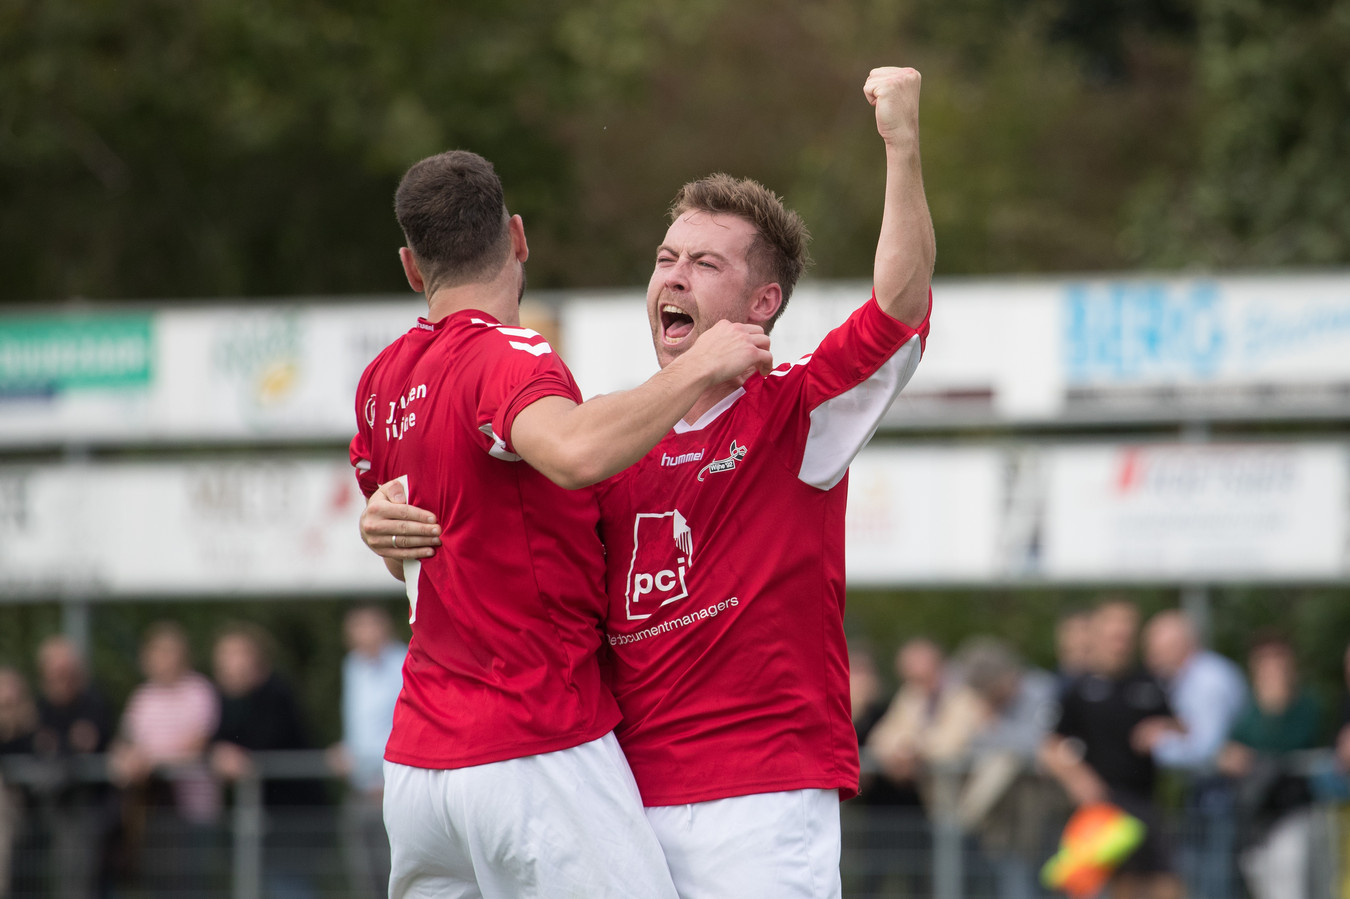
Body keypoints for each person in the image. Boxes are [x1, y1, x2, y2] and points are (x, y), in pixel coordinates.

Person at [362, 66, 935, 897]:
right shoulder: (604, 432)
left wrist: (902, 145)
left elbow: (901, 300)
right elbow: (494, 556)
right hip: (616, 792)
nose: (673, 275)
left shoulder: (799, 409)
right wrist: (388, 533)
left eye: (705, 263)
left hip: (758, 797)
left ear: (762, 300)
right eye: (667, 256)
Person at [350, 149, 772, 899]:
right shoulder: (508, 358)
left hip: (419, 768)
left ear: (413, 268)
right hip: (531, 743)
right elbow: (574, 450)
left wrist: (374, 527)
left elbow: (410, 546)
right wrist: (702, 365)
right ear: (517, 236)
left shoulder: (383, 379)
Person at [1040, 598, 1185, 899]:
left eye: (1126, 632)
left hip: (1144, 806)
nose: (1120, 639)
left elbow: (1183, 728)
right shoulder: (1079, 689)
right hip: (1100, 810)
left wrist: (1165, 729)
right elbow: (1050, 746)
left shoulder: (1149, 684)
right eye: (1113, 631)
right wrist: (1080, 781)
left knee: (1166, 888)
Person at [210, 623, 323, 899]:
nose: (229, 664)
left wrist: (230, 755)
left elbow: (263, 744)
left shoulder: (277, 693)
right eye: (224, 656)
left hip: (291, 820)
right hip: (259, 821)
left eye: (236, 655)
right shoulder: (227, 699)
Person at [1139, 609, 1246, 899]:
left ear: (1180, 645)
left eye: (1156, 650)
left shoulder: (1208, 680)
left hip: (1224, 796)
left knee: (1216, 881)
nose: (1151, 659)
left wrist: (1156, 744)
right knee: (1201, 878)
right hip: (1205, 794)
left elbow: (1206, 749)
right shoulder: (1187, 680)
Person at [108, 623, 220, 892]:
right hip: (152, 808)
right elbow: (126, 740)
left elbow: (195, 742)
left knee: (189, 885)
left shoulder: (199, 691)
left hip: (192, 808)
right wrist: (123, 759)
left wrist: (151, 761)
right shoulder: (143, 697)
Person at [1218, 633, 1321, 899]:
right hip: (1254, 814)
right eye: (1264, 660)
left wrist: (1275, 709)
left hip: (1293, 812)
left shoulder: (1305, 706)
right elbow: (1231, 747)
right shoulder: (1246, 709)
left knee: (1291, 886)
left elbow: (1294, 742)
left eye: (1278, 659)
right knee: (1260, 883)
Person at [32, 635, 119, 899]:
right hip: (42, 811)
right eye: (55, 673)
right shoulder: (37, 708)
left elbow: (91, 740)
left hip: (87, 812)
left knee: (84, 882)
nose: (62, 679)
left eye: (67, 672)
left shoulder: (94, 704)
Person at [327, 605, 405, 899]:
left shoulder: (405, 661)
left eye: (369, 625)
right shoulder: (353, 665)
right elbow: (360, 722)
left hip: (394, 789)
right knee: (364, 876)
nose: (363, 634)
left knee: (399, 875)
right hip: (360, 788)